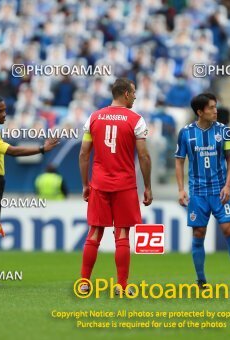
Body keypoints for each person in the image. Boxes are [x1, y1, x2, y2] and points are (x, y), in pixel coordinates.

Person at [0, 95, 59, 286]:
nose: (5, 114)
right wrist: (42, 149)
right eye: (0, 111)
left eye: (5, 110)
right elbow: (12, 151)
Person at [78, 78, 152, 295]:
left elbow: (84, 154)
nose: (136, 96)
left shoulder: (94, 117)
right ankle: (121, 285)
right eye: (134, 92)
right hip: (125, 185)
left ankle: (84, 282)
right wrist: (147, 186)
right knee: (122, 235)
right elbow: (144, 156)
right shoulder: (136, 120)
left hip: (99, 184)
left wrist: (85, 184)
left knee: (94, 233)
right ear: (127, 94)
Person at [175, 93, 230, 290]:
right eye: (211, 108)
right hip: (197, 193)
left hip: (220, 191)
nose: (215, 111)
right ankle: (201, 280)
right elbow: (179, 162)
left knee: (229, 230)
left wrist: (228, 185)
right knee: (199, 233)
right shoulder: (186, 133)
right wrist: (181, 189)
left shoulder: (224, 131)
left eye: (216, 107)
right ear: (200, 111)